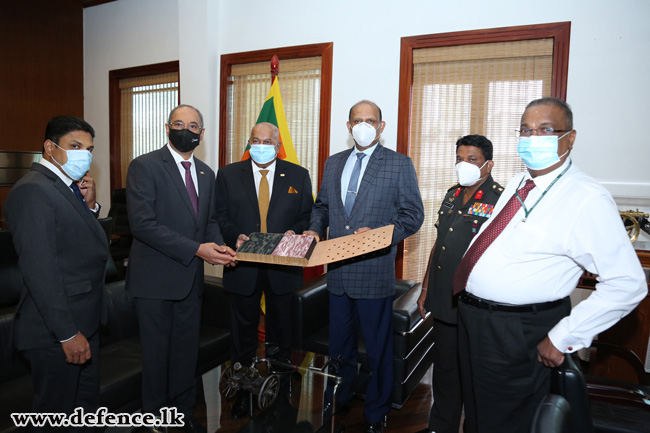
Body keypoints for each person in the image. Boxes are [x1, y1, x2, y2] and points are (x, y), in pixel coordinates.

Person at [453, 97, 648, 432]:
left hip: (514, 330)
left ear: (570, 138)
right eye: (526, 130)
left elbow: (628, 283)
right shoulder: (520, 181)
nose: (532, 139)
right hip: (476, 320)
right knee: (477, 411)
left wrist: (564, 336)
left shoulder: (586, 197)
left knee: (505, 420)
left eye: (545, 130)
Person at [305, 100, 424, 433]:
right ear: (348, 126)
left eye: (370, 120)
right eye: (358, 120)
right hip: (338, 276)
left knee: (377, 349)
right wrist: (315, 229)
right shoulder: (333, 163)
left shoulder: (399, 164)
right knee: (340, 349)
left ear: (381, 126)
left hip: (374, 273)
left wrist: (382, 236)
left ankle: (376, 411)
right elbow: (323, 206)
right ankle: (340, 398)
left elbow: (413, 216)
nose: (364, 125)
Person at [126, 104, 236, 433]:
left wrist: (218, 246)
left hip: (191, 282)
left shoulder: (206, 172)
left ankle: (182, 416)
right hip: (155, 283)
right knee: (157, 359)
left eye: (192, 125)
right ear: (167, 127)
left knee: (186, 357)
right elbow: (143, 226)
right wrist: (197, 250)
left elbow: (210, 222)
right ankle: (156, 422)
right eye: (178, 123)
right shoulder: (144, 167)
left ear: (202, 133)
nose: (185, 130)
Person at [5, 115, 108, 431]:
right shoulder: (33, 190)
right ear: (50, 148)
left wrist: (89, 208)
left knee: (84, 412)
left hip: (83, 322)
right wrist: (66, 334)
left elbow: (79, 244)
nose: (84, 155)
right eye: (75, 146)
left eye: (88, 148)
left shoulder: (66, 188)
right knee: (56, 417)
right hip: (57, 332)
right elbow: (41, 271)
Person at [214, 122, 313, 418]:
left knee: (281, 326)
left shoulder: (298, 174)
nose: (261, 144)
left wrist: (293, 233)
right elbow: (219, 215)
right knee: (243, 328)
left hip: (282, 264)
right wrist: (235, 237)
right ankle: (243, 386)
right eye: (255, 140)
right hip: (242, 263)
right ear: (249, 143)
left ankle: (280, 383)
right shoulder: (229, 174)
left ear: (278, 144)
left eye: (267, 140)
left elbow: (307, 214)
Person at [416, 135, 503, 433]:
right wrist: (426, 289)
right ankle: (440, 426)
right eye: (459, 159)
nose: (463, 165)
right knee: (445, 371)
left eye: (472, 159)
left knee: (474, 375)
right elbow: (439, 244)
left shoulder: (500, 199)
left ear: (488, 165)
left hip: (474, 304)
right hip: (443, 298)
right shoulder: (452, 194)